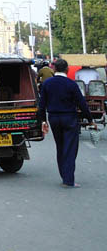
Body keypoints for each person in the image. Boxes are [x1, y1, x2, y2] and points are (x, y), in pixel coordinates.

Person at [37, 57, 94, 187]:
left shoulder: (47, 84)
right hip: (69, 118)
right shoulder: (71, 84)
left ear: (54, 69)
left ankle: (64, 175)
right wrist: (90, 120)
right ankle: (68, 179)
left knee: (60, 147)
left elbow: (41, 105)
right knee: (70, 148)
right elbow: (82, 103)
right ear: (67, 70)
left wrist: (43, 121)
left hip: (54, 118)